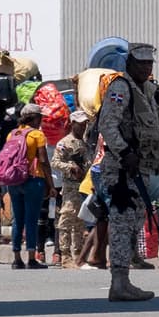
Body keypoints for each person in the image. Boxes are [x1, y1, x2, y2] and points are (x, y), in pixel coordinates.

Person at [96, 43, 159, 302]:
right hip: (123, 168)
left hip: (140, 167)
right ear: (129, 64)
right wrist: (124, 152)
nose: (146, 67)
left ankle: (124, 280)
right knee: (122, 223)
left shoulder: (145, 89)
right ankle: (119, 282)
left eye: (149, 63)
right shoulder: (121, 88)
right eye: (141, 63)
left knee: (134, 223)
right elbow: (107, 124)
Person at [6, 104, 54, 270]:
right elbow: (43, 161)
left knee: (17, 220)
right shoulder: (37, 135)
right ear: (34, 118)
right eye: (40, 117)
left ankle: (17, 258)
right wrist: (51, 184)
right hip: (34, 179)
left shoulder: (12, 134)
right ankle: (32, 258)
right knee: (31, 219)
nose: (41, 120)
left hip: (14, 181)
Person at [53, 110, 90, 269]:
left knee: (79, 222)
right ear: (72, 123)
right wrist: (71, 167)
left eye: (84, 124)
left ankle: (78, 255)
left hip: (83, 186)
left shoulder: (85, 143)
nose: (82, 127)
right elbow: (55, 162)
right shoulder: (65, 143)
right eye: (80, 124)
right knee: (66, 220)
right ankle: (65, 255)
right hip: (70, 187)